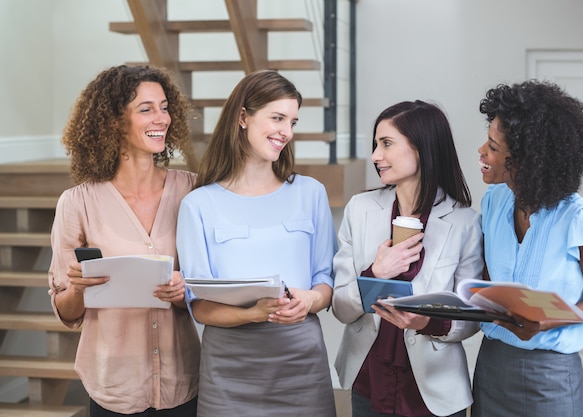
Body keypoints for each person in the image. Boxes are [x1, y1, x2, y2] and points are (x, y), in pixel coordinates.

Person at [176, 69, 337, 416]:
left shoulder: (310, 193)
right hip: (229, 367)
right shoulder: (198, 204)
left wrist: (309, 299)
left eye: (292, 121)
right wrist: (252, 313)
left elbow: (326, 279)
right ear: (243, 117)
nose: (286, 132)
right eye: (277, 118)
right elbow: (199, 306)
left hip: (301, 359)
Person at [48, 64, 201, 416]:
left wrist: (184, 292)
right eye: (146, 109)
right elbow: (67, 311)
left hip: (183, 382)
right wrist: (79, 288)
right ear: (114, 121)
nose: (161, 118)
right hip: (113, 387)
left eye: (164, 107)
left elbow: (209, 285)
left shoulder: (191, 190)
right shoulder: (77, 203)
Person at [332, 100, 484, 417]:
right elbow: (341, 309)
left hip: (435, 389)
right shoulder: (359, 210)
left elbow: (471, 319)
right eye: (376, 144)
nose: (375, 156)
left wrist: (428, 322)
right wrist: (376, 272)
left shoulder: (465, 222)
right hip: (369, 380)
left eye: (386, 144)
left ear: (422, 148)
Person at [473, 80, 583, 417]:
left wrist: (546, 322)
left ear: (526, 159)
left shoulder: (582, 220)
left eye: (493, 146)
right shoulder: (493, 202)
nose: (481, 151)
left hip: (549, 374)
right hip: (492, 364)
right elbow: (490, 285)